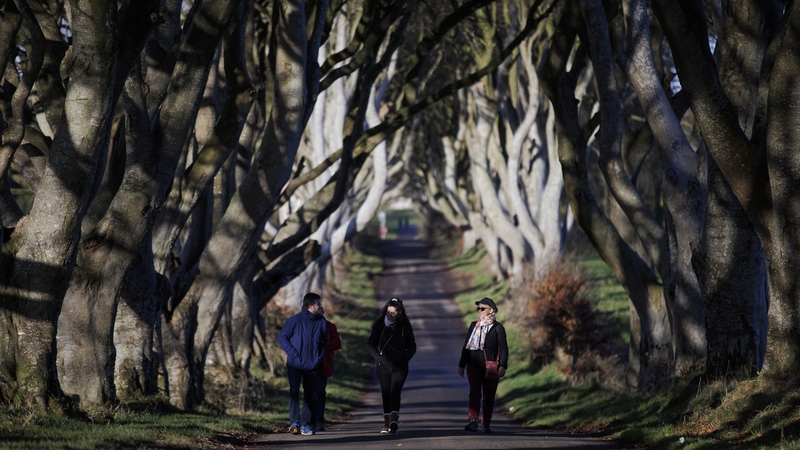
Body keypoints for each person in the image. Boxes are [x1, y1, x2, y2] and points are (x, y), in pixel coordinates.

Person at [279, 292, 328, 436]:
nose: (321, 306)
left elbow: (326, 341)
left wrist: (319, 357)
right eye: (318, 303)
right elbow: (282, 337)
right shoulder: (293, 321)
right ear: (310, 306)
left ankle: (305, 425)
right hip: (295, 365)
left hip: (313, 365)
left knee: (310, 396)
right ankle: (294, 423)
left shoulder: (321, 321)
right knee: (294, 392)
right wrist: (293, 354)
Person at [458, 297, 508, 434]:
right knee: (474, 392)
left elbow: (503, 349)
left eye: (482, 308)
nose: (479, 311)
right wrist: (461, 365)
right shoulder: (474, 325)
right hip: (473, 364)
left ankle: (486, 423)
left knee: (489, 395)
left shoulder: (498, 328)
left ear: (491, 310)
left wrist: (503, 366)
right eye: (478, 308)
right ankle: (473, 421)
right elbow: (466, 346)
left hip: (491, 367)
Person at [367, 297, 416, 434]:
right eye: (388, 312)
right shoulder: (380, 326)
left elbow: (412, 347)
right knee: (386, 393)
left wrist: (404, 358)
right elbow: (370, 344)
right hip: (382, 366)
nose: (390, 315)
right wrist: (378, 358)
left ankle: (394, 419)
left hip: (400, 366)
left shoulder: (405, 326)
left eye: (393, 313)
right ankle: (386, 421)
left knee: (395, 391)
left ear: (399, 313)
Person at [301, 305, 341, 432]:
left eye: (321, 313)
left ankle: (319, 421)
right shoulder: (305, 326)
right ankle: (309, 421)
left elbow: (337, 343)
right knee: (309, 393)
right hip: (308, 365)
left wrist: (323, 343)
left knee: (320, 392)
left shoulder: (330, 326)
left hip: (323, 365)